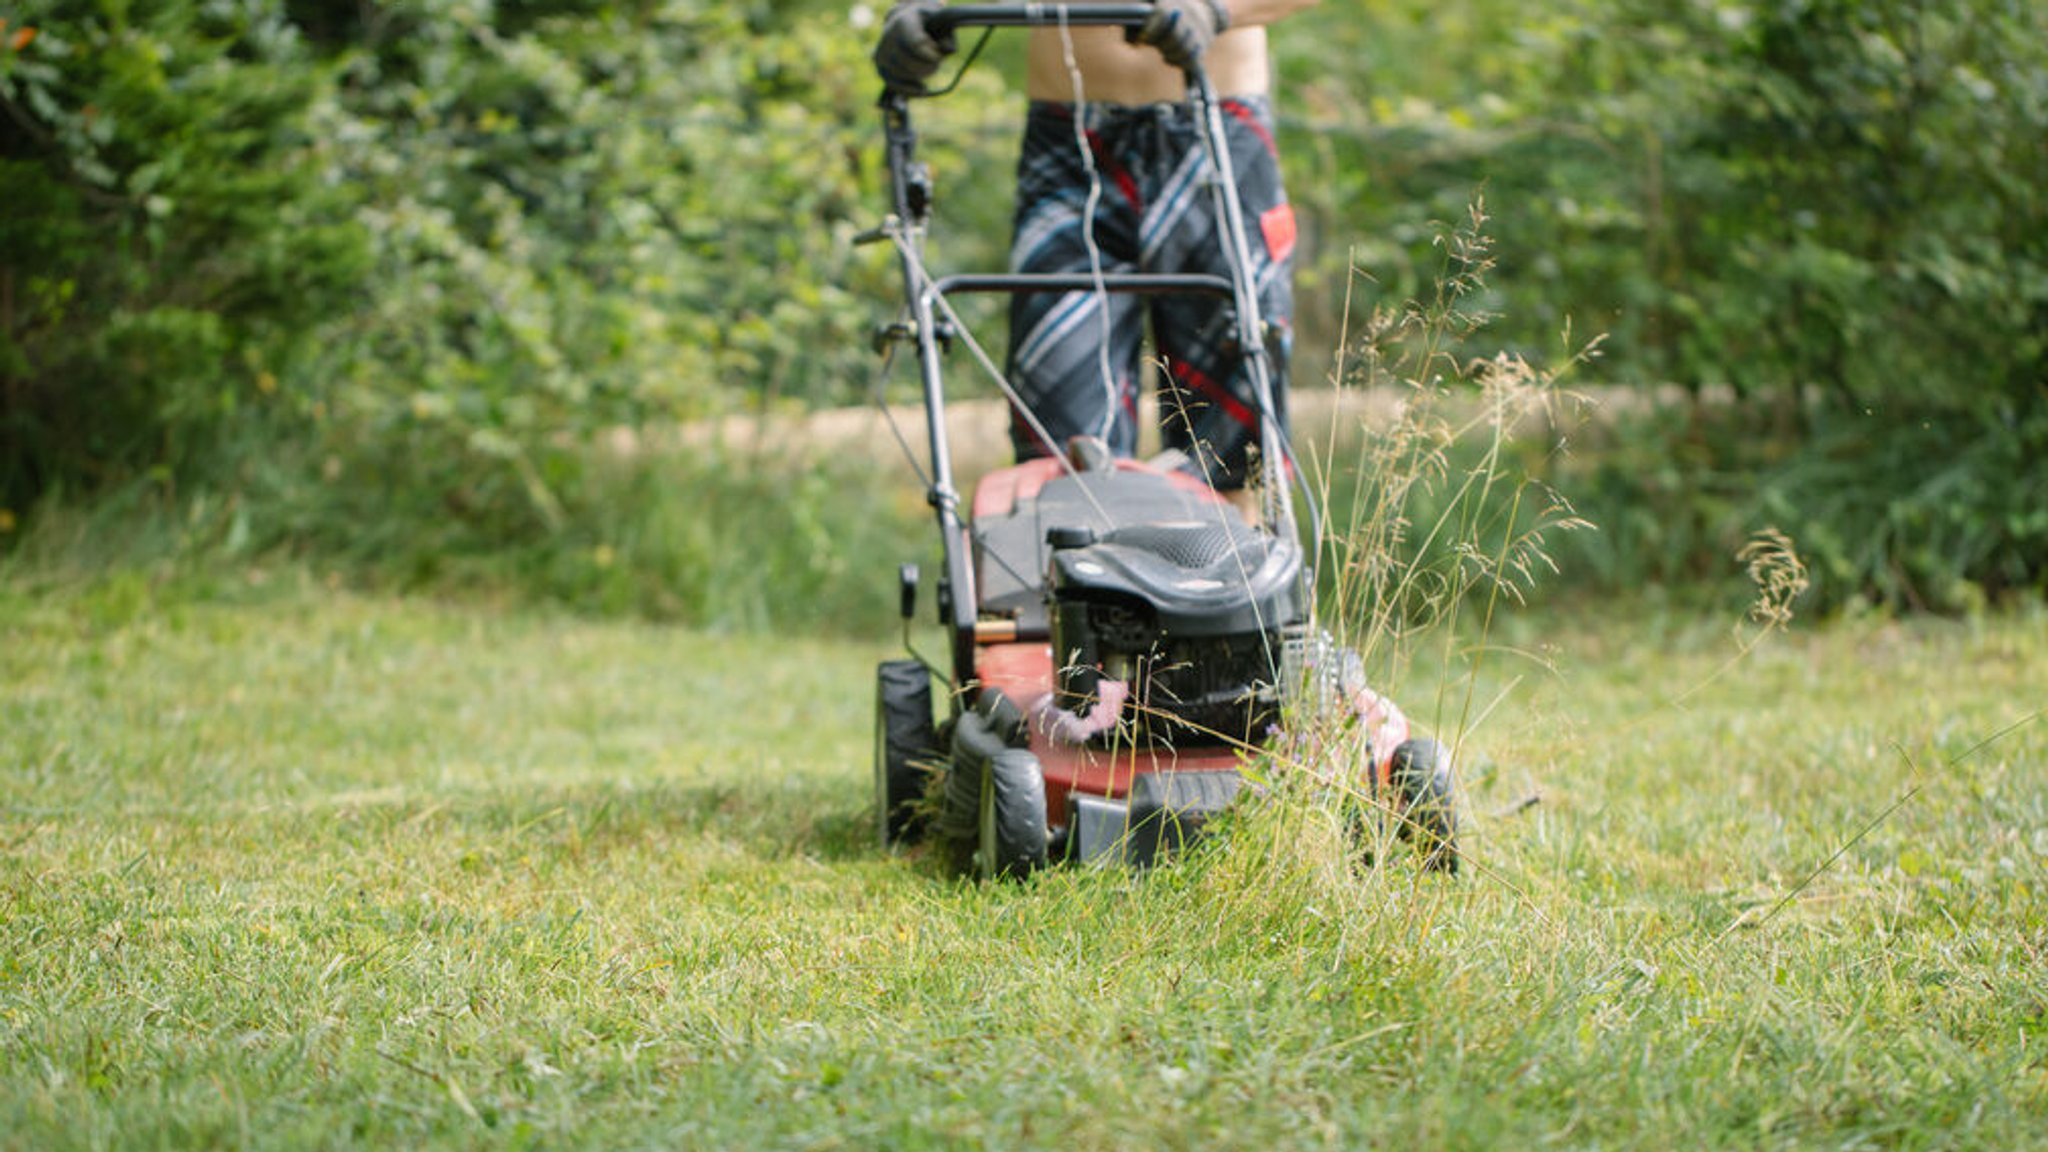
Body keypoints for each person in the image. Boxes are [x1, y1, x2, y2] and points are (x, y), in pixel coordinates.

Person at [874, 0, 1318, 495]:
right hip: (1067, 144)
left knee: (1234, 450)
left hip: (1219, 130)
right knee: (1061, 452)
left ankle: (1232, 568)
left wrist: (1216, 9)